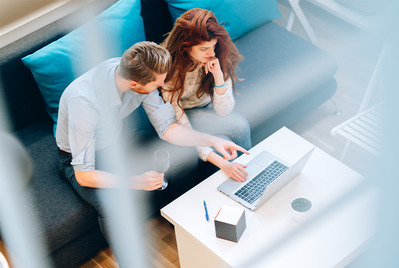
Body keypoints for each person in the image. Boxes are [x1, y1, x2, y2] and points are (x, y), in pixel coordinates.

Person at [55, 41, 248, 265]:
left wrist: (212, 140)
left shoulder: (132, 71)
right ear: (135, 84)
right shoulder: (84, 102)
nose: (164, 84)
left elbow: (167, 128)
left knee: (182, 157)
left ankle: (179, 223)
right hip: (77, 160)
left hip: (116, 142)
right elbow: (84, 175)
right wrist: (137, 181)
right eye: (159, 82)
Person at [160, 8, 252, 182]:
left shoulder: (218, 54)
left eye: (213, 46)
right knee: (219, 148)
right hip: (181, 113)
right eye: (203, 49)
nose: (211, 53)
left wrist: (218, 76)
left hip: (207, 106)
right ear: (185, 47)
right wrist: (210, 154)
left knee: (240, 125)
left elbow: (224, 111)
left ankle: (248, 174)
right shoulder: (167, 68)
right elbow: (178, 118)